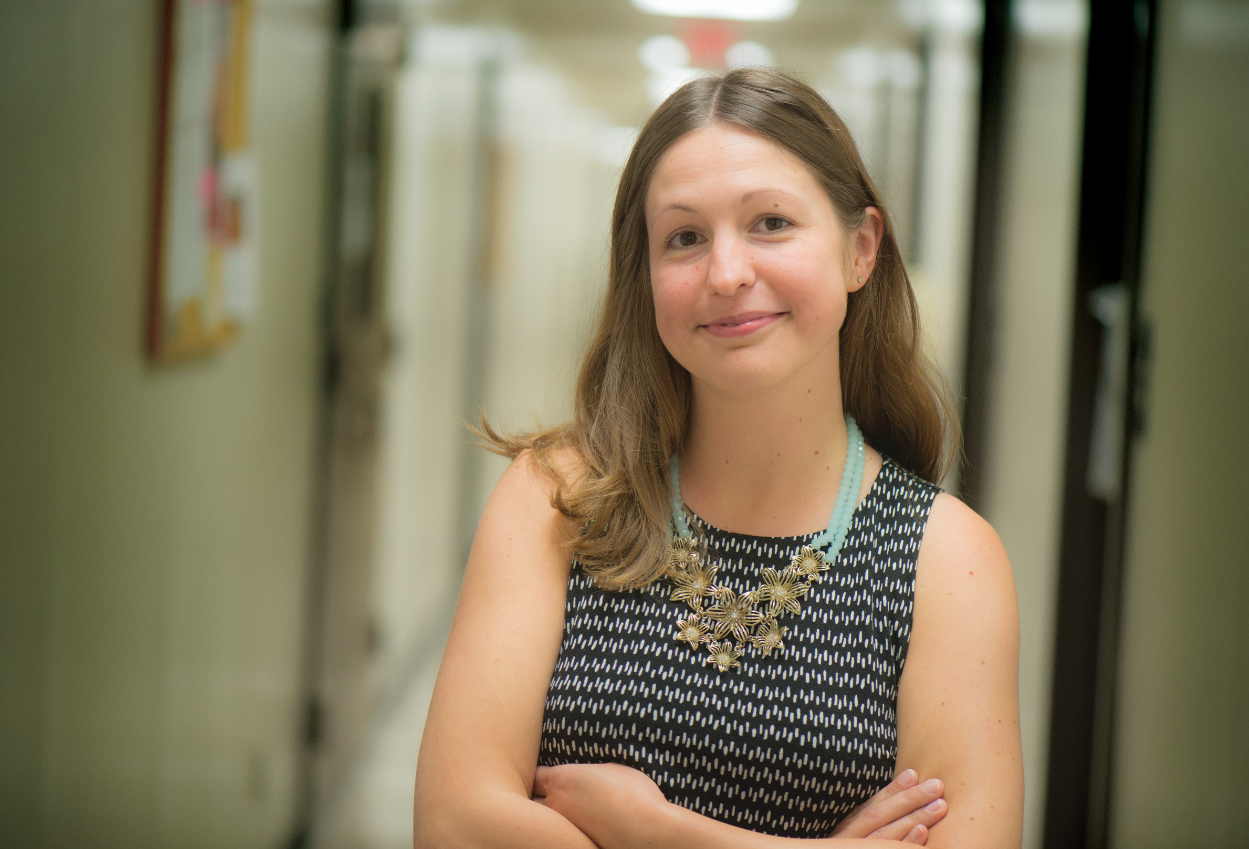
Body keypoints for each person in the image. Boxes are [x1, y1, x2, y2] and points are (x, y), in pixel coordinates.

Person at [413, 67, 1022, 848]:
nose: (727, 273)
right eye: (684, 237)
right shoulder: (560, 498)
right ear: (647, 276)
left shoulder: (947, 558)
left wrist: (649, 828)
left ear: (859, 249)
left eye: (770, 222)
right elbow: (453, 824)